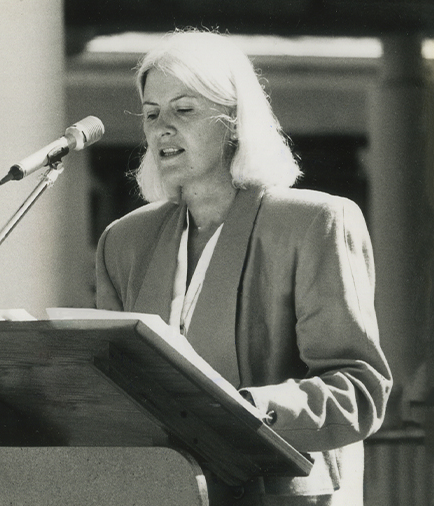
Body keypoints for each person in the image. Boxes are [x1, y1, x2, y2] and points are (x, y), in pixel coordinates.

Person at [94, 30, 392, 505]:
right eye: (151, 114)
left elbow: (359, 390)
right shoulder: (124, 241)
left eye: (183, 109)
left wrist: (249, 409)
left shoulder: (314, 222)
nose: (162, 128)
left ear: (234, 120)